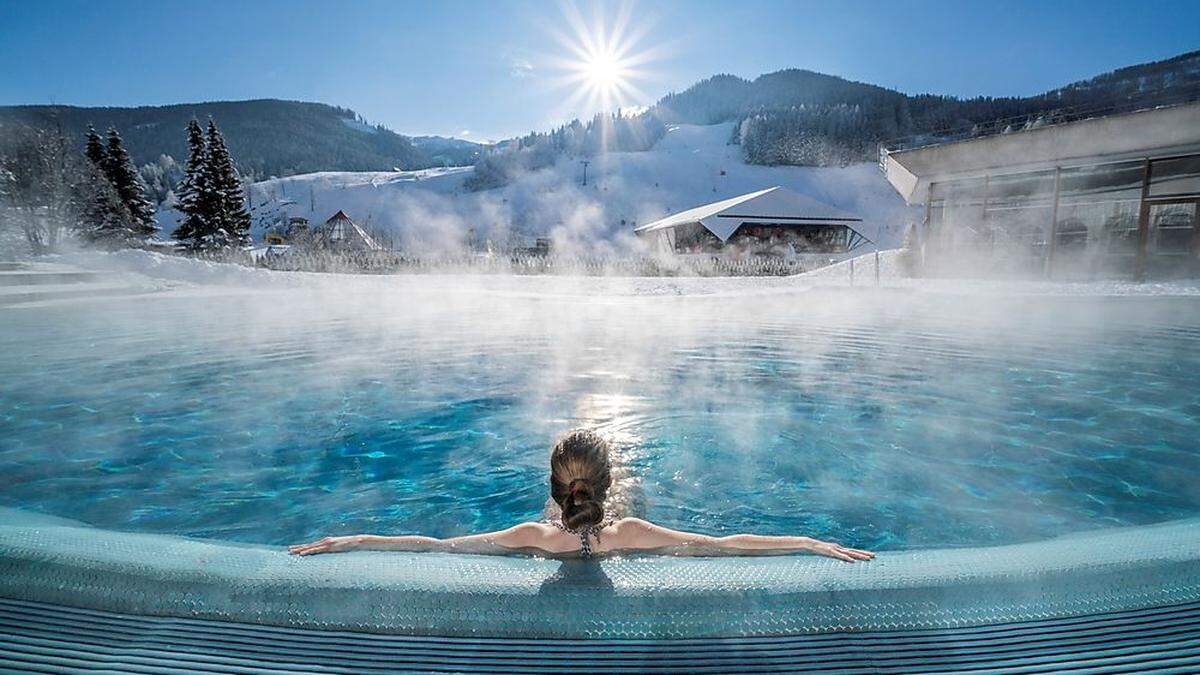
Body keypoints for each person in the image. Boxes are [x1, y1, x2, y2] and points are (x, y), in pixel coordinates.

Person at [289, 429, 875, 562]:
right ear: (607, 486)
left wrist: (357, 539)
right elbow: (722, 545)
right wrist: (807, 541)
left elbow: (435, 547)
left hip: (560, 527)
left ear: (554, 487)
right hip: (608, 527)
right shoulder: (632, 532)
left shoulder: (531, 537)